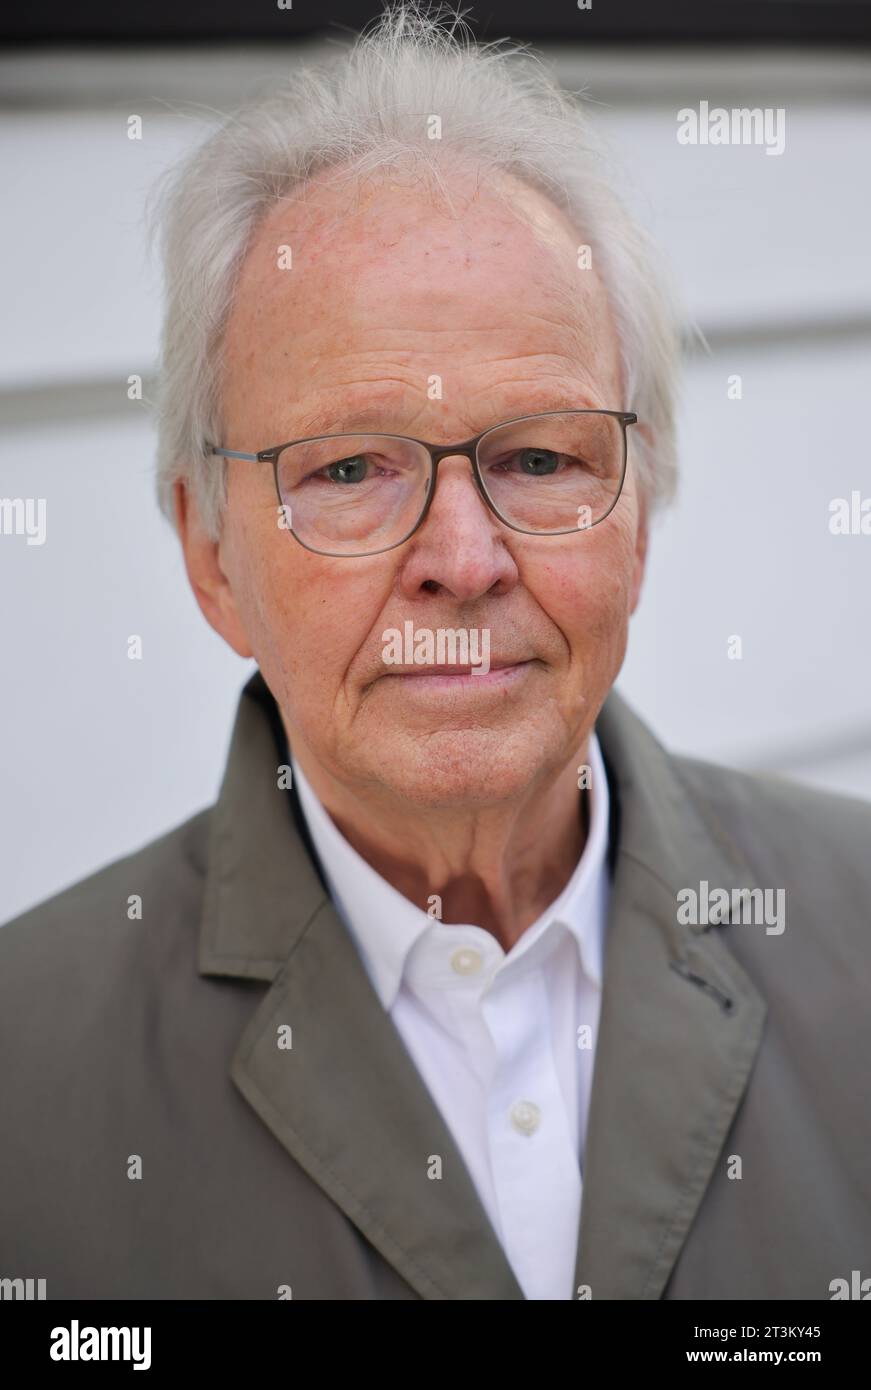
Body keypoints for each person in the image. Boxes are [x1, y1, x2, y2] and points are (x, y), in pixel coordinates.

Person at [1, 4, 869, 1301]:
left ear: (641, 506)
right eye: (348, 467)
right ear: (208, 553)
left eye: (538, 455)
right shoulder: (29, 1071)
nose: (463, 558)